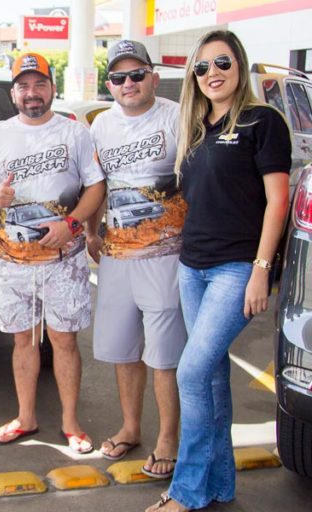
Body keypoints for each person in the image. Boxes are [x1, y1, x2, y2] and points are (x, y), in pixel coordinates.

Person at [146, 30, 291, 511]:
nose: (213, 74)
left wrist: (260, 270)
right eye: (202, 67)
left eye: (223, 63)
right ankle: (220, 485)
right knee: (210, 378)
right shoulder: (196, 126)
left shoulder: (261, 121)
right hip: (193, 267)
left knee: (190, 372)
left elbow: (277, 202)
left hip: (236, 269)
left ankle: (185, 492)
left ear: (240, 66)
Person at [0, 52, 105, 454]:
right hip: (13, 261)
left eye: (39, 84)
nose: (32, 93)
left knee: (63, 341)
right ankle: (26, 418)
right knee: (23, 341)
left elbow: (96, 187)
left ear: (52, 88)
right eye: (24, 86)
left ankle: (71, 423)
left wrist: (72, 225)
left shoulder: (75, 133)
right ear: (14, 94)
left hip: (64, 260)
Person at [86, 40, 186, 479]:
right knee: (124, 349)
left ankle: (169, 437)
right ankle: (130, 427)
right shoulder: (101, 126)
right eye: (118, 77)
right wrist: (91, 231)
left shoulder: (177, 117)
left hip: (167, 253)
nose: (128, 84)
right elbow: (96, 183)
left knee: (164, 353)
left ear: (153, 76)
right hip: (117, 255)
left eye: (136, 74)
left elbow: (197, 177)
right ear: (109, 84)